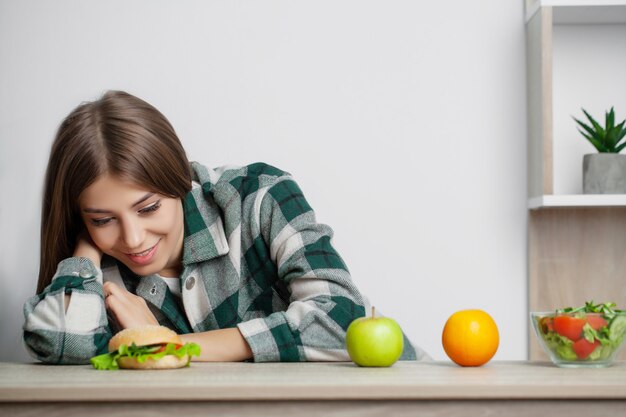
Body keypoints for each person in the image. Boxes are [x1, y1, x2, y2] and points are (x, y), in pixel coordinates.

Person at [23, 90, 429, 363]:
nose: (132, 239)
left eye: (148, 209)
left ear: (179, 181)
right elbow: (64, 348)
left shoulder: (259, 198)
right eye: (103, 219)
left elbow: (342, 319)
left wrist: (172, 347)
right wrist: (85, 250)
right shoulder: (96, 273)